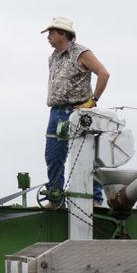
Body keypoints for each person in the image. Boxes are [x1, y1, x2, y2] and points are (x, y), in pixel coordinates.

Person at [42, 17, 110, 206]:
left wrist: (92, 101)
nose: (48, 36)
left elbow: (103, 74)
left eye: (51, 33)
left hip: (77, 111)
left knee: (85, 154)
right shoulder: (54, 56)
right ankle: (55, 197)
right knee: (53, 156)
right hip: (56, 112)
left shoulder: (81, 53)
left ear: (63, 34)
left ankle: (95, 199)